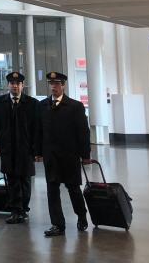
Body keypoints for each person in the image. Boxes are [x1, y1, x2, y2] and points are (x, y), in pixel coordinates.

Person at [35, 71, 91, 237]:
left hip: (69, 156)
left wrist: (85, 155)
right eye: (51, 84)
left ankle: (81, 216)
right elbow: (39, 131)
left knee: (73, 189)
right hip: (51, 157)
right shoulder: (42, 106)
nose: (54, 87)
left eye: (57, 84)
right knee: (52, 190)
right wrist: (38, 152)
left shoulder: (75, 106)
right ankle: (58, 224)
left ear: (63, 85)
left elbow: (83, 133)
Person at [0, 71, 39, 224]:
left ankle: (23, 208)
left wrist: (37, 150)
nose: (15, 86)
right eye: (12, 83)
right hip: (8, 149)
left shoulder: (32, 103)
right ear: (8, 85)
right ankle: (16, 210)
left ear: (22, 86)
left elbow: (36, 129)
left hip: (26, 149)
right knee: (12, 179)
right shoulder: (0, 102)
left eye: (18, 84)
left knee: (25, 179)